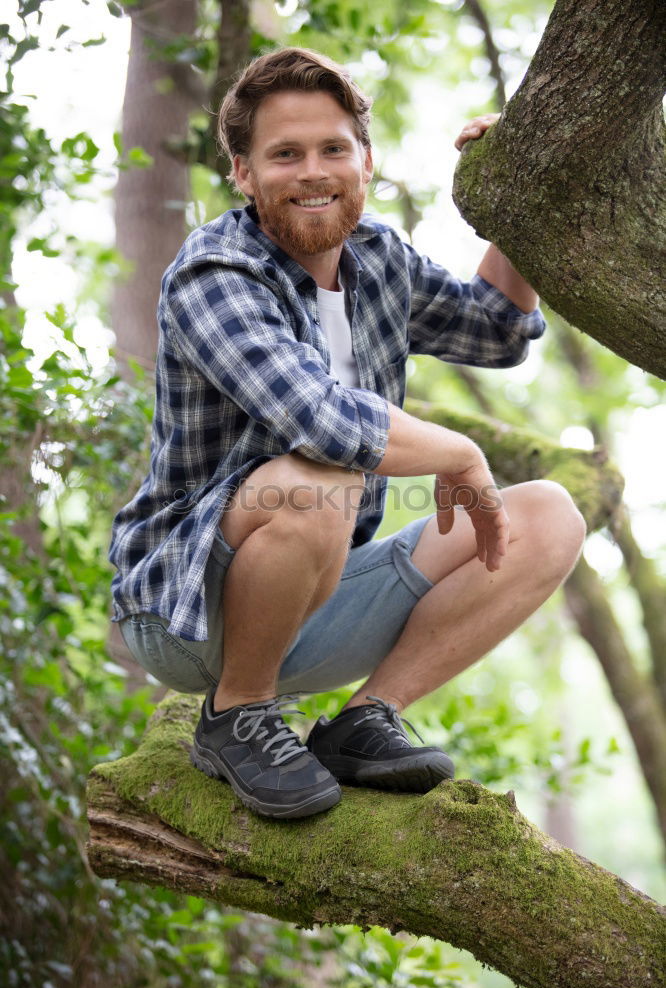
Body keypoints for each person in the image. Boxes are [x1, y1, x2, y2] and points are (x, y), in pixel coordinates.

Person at [109, 47, 586, 821]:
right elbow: (320, 422)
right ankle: (237, 715)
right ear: (242, 172)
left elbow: (498, 329)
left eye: (333, 148)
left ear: (365, 158)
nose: (313, 171)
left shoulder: (378, 260)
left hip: (312, 594)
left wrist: (517, 196)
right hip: (183, 606)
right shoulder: (216, 272)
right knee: (322, 474)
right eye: (284, 154)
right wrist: (460, 452)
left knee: (551, 516)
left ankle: (364, 720)